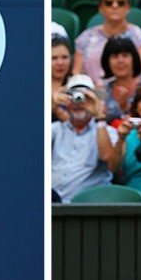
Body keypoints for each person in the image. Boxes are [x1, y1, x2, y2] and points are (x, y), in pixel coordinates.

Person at [51, 74, 118, 203]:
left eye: (86, 97)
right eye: (74, 96)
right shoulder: (55, 129)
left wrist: (99, 115)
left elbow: (107, 157)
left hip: (87, 209)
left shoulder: (107, 131)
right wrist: (51, 105)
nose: (79, 102)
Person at [73, 0, 141, 85]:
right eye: (109, 3)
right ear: (101, 7)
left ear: (127, 7)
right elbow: (76, 73)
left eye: (120, 3)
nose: (115, 6)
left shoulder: (137, 35)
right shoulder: (86, 37)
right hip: (91, 93)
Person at [100, 37, 141, 124]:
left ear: (134, 58)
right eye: (115, 57)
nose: (120, 61)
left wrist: (126, 106)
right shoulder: (104, 89)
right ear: (107, 62)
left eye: (125, 55)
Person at [51, 35, 73, 123]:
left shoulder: (78, 86)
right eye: (54, 58)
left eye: (64, 57)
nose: (60, 63)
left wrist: (57, 110)